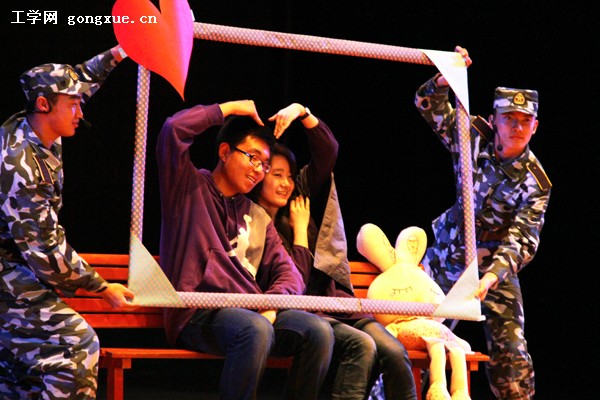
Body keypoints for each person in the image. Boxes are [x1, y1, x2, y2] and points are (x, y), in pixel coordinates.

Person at [156, 100, 334, 400]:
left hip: (249, 312)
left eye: (264, 164)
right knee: (255, 329)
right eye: (252, 158)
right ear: (225, 152)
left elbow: (290, 274)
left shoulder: (257, 216)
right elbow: (173, 129)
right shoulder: (187, 187)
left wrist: (270, 304)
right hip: (197, 311)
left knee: (319, 331)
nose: (258, 170)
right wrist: (229, 108)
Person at [249, 103, 417, 400]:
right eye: (277, 175)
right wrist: (301, 233)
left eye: (290, 176)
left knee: (394, 352)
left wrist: (303, 112)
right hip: (303, 314)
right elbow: (294, 284)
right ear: (260, 176)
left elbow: (327, 152)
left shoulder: (298, 199)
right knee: (362, 346)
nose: (286, 183)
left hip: (337, 306)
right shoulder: (252, 223)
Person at [414, 46, 551, 399]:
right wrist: (447, 76)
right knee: (419, 337)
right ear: (493, 120)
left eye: (524, 120)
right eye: (509, 118)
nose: (516, 127)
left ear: (535, 127)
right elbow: (428, 105)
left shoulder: (536, 182)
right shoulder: (471, 135)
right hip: (449, 253)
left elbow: (523, 239)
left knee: (512, 355)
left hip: (495, 267)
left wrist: (490, 278)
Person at [0, 46, 134, 399]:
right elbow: (45, 251)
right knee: (76, 346)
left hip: (15, 270)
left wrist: (123, 50)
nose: (81, 111)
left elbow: (84, 77)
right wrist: (102, 287)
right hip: (8, 280)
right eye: (73, 104)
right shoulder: (21, 166)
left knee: (19, 384)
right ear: (44, 105)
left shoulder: (40, 125)